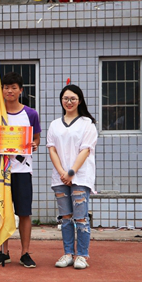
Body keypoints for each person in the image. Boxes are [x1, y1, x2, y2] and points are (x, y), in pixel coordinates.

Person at [0, 72, 41, 268]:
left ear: (20, 90)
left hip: (22, 171)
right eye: (6, 87)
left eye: (13, 87)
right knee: (2, 210)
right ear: (1, 90)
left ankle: (25, 253)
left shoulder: (31, 114)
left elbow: (36, 139)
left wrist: (33, 144)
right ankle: (4, 252)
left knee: (24, 212)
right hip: (2, 171)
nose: (9, 91)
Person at [46, 84, 98, 270]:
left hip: (80, 177)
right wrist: (62, 172)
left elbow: (85, 150)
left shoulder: (87, 124)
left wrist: (71, 172)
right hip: (60, 178)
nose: (69, 102)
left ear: (80, 100)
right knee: (66, 217)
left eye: (73, 98)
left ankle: (82, 255)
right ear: (61, 100)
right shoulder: (54, 124)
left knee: (81, 217)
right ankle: (68, 253)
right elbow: (52, 149)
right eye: (65, 98)